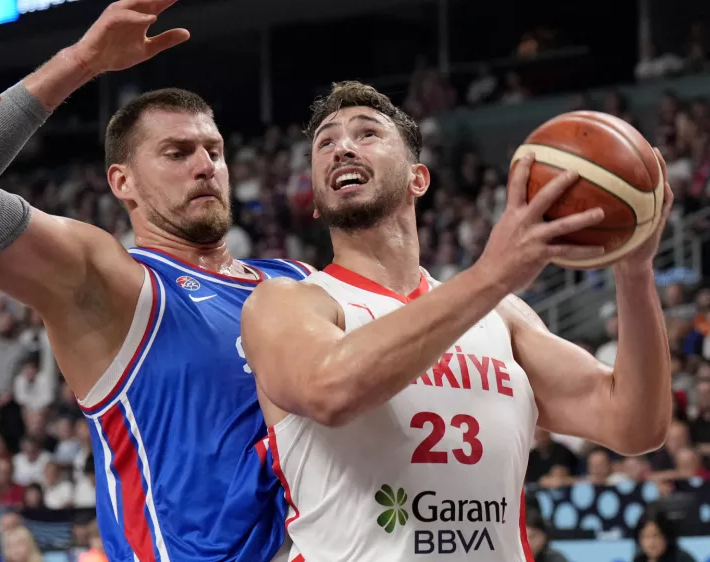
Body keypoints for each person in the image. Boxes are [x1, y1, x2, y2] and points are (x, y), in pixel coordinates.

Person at [0, 1, 309, 561]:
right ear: (123, 182)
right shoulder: (118, 285)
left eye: (213, 151)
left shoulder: (297, 283)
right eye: (177, 152)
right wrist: (81, 62)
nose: (205, 166)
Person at [240, 81, 673, 559]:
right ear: (317, 201)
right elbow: (329, 389)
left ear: (418, 179)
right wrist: (493, 274)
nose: (342, 147)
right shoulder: (287, 302)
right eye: (325, 142)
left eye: (366, 134)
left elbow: (635, 424)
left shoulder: (502, 316)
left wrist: (634, 271)